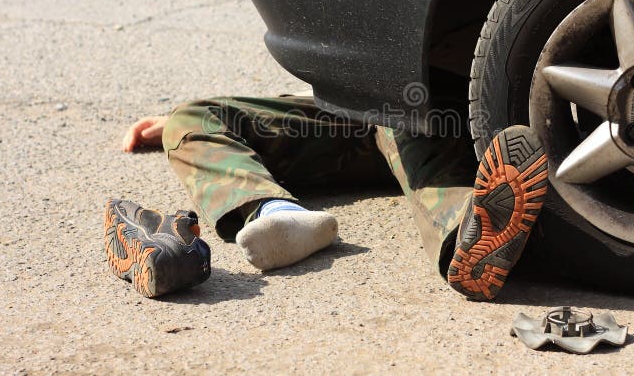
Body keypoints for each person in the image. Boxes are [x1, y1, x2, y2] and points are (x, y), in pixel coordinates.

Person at [105, 94, 548, 301]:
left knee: (400, 112)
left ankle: (468, 236)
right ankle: (277, 213)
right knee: (193, 116)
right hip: (355, 102)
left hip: (434, 102)